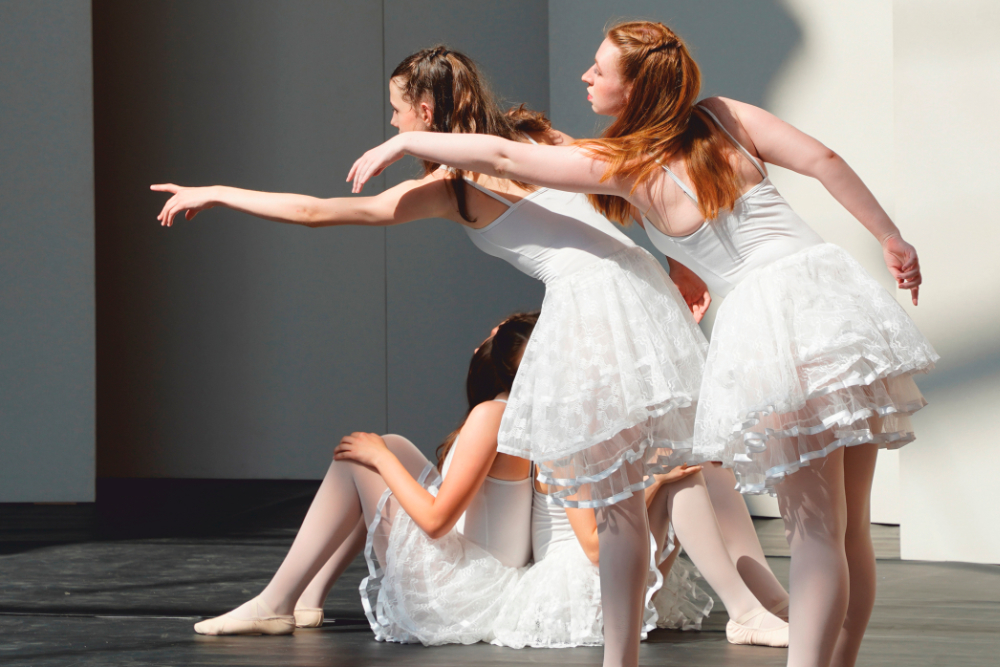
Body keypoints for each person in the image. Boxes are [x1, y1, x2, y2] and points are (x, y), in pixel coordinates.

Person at [347, 22, 938, 667]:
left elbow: (507, 160)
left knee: (817, 532)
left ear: (634, 89)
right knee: (851, 529)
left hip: (770, 323)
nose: (586, 78)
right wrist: (889, 237)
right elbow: (822, 160)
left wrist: (409, 143)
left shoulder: (623, 165)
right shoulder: (724, 117)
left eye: (600, 70)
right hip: (829, 296)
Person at [192, 312, 537, 643]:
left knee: (362, 461)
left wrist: (381, 460)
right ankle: (308, 596)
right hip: (482, 577)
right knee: (392, 445)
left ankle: (275, 604)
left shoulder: (492, 416)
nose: (481, 344)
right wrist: (386, 455)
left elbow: (436, 521)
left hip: (463, 596)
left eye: (492, 337)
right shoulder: (519, 412)